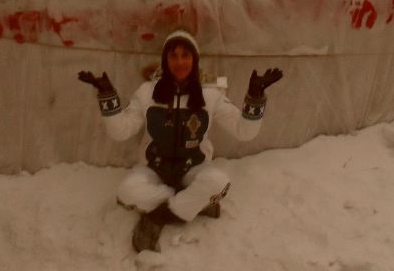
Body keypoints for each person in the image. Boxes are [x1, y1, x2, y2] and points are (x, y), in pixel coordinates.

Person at [78, 30, 282, 253]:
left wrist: (255, 96)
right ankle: (192, 203)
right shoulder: (147, 92)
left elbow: (244, 132)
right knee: (127, 193)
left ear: (194, 60)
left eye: (185, 55)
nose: (179, 62)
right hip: (154, 168)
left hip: (192, 168)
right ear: (165, 60)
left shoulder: (210, 95)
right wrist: (107, 95)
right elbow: (121, 131)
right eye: (173, 56)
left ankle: (158, 216)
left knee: (219, 183)